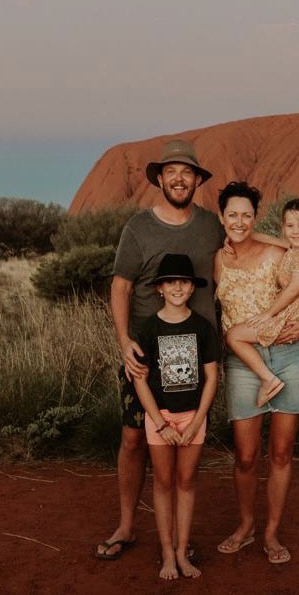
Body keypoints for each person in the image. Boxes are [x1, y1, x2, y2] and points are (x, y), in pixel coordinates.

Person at [95, 139, 224, 561]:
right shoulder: (138, 228)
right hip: (144, 355)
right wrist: (122, 341)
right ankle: (128, 526)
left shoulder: (210, 225)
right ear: (160, 179)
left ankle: (179, 541)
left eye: (187, 172)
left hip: (198, 352)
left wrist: (297, 251)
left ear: (197, 180)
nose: (179, 179)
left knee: (186, 441)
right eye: (172, 172)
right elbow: (121, 286)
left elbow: (242, 249)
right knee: (134, 439)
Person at [214, 182, 299, 565]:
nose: (240, 222)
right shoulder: (218, 259)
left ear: (255, 218)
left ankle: (271, 533)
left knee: (281, 452)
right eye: (232, 215)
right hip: (244, 363)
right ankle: (245, 527)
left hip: (287, 354)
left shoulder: (281, 250)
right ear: (222, 217)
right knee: (245, 455)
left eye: (247, 215)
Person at [133, 253, 219, 580]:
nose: (178, 288)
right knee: (164, 482)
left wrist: (197, 421)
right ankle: (167, 552)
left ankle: (183, 552)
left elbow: (212, 377)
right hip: (161, 418)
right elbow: (140, 378)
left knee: (186, 482)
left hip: (193, 418)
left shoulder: (202, 327)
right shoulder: (148, 329)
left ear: (191, 287)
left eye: (183, 282)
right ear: (160, 288)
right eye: (171, 282)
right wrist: (159, 422)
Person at [225, 198, 299, 408]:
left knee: (234, 336)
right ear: (283, 227)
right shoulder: (297, 247)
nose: (295, 231)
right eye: (290, 226)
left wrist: (268, 314)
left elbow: (293, 289)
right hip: (294, 314)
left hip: (288, 316)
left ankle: (268, 380)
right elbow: (263, 237)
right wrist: (231, 239)